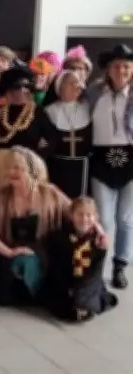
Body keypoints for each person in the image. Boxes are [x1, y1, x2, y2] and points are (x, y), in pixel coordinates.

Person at [0, 146, 73, 306]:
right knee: (19, 264)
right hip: (12, 251)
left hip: (44, 250)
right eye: (9, 167)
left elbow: (79, 211)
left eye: (18, 167)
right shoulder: (2, 196)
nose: (12, 172)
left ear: (32, 170)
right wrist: (8, 251)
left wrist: (98, 229)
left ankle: (40, 292)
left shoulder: (50, 193)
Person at [85, 44, 133, 289]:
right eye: (116, 66)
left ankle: (120, 264)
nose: (121, 71)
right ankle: (97, 264)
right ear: (108, 69)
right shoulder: (95, 92)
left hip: (130, 157)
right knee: (103, 218)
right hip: (101, 158)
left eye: (126, 66)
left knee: (125, 219)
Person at [0, 66, 55, 186]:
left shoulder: (38, 113)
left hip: (28, 174)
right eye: (18, 87)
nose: (24, 90)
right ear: (8, 90)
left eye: (27, 87)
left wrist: (35, 159)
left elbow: (53, 140)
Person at [44, 197, 118, 322]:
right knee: (60, 303)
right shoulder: (58, 236)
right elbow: (56, 268)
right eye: (80, 214)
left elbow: (95, 273)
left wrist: (82, 293)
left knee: (84, 302)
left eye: (89, 215)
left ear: (95, 218)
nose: (84, 219)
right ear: (71, 215)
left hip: (88, 281)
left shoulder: (98, 241)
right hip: (65, 280)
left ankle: (81, 304)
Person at [43, 69, 91, 198]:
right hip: (57, 166)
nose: (76, 86)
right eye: (71, 83)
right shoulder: (49, 111)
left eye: (78, 82)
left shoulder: (88, 109)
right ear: (60, 87)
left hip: (83, 167)